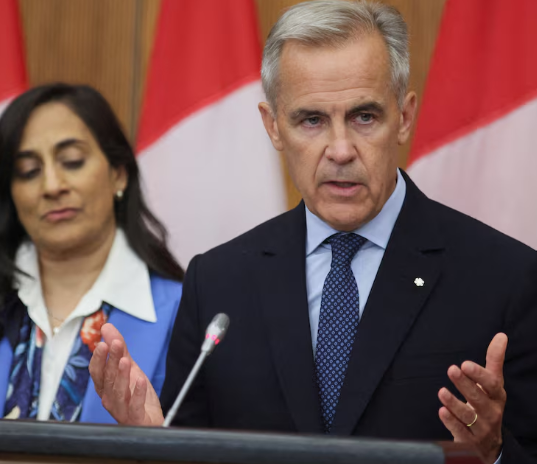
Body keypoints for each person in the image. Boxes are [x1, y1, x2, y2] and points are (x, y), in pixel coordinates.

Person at [90, 1, 537, 463]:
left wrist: (495, 452)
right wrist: (153, 442)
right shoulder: (217, 284)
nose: (340, 150)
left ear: (404, 118)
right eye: (312, 120)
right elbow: (195, 451)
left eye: (364, 117)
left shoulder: (504, 279)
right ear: (273, 126)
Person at [0, 83, 184, 423]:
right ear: (10, 192)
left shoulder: (183, 313)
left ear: (118, 174)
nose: (51, 186)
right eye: (29, 171)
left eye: (72, 162)